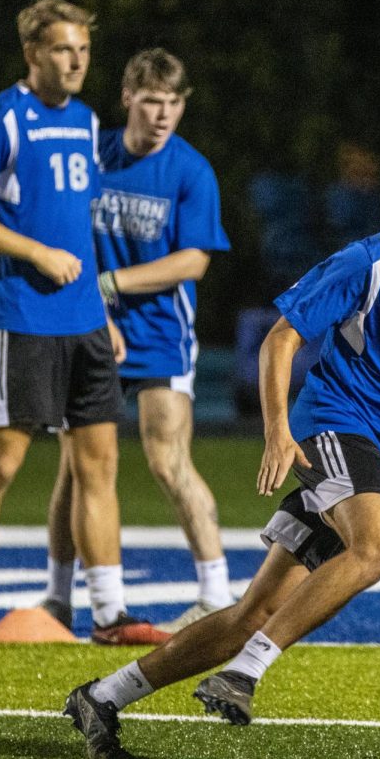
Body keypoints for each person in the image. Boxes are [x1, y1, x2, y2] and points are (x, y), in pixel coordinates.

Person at [63, 140, 380, 759]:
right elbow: (280, 339)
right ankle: (246, 672)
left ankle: (102, 696)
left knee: (252, 611)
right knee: (379, 546)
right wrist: (278, 430)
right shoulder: (368, 262)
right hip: (334, 426)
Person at [0, 0, 162, 649]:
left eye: (84, 51)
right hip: (23, 314)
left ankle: (111, 615)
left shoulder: (88, 120)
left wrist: (102, 309)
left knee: (99, 464)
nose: (76, 61)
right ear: (33, 53)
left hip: (83, 320)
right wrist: (33, 253)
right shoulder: (0, 119)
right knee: (0, 465)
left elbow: (76, 222)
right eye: (64, 50)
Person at [38, 48, 234, 634]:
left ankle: (217, 594)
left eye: (173, 103)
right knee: (76, 468)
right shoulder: (91, 155)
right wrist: (93, 306)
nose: (163, 114)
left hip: (161, 335)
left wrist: (110, 285)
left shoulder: (192, 171)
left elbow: (194, 261)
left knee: (167, 459)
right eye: (151, 102)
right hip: (87, 327)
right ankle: (57, 599)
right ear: (127, 99)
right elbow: (62, 225)